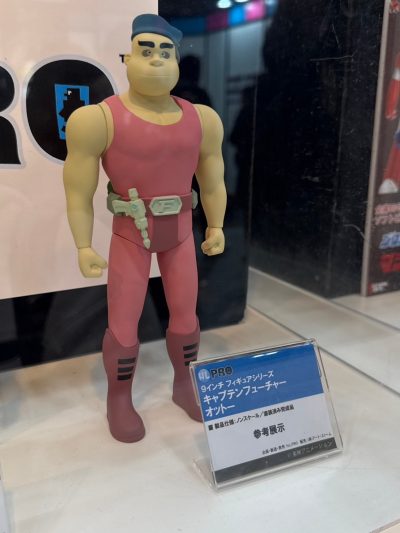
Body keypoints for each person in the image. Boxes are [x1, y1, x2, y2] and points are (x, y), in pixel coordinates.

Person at [63, 14, 226, 443]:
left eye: (165, 52)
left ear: (177, 59)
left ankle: (184, 382)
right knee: (123, 322)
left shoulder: (203, 119)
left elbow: (213, 180)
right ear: (127, 57)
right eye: (146, 50)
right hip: (129, 234)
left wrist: (216, 225)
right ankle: (119, 397)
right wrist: (83, 245)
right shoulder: (97, 119)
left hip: (181, 233)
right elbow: (78, 192)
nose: (156, 60)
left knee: (186, 315)